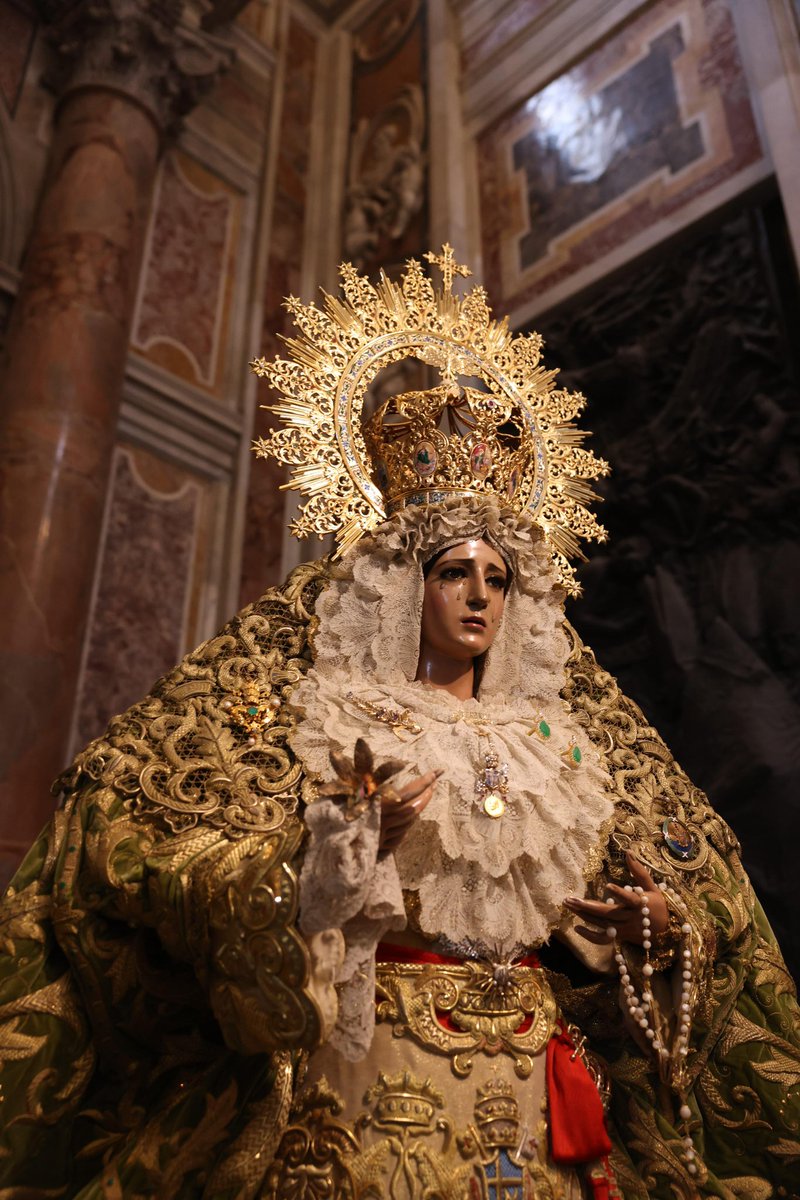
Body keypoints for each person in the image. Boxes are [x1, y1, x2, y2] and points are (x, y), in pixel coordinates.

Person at [0, 249, 798, 1200]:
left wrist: (656, 931)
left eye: (498, 577)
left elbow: (674, 897)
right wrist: (333, 855)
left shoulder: (559, 742)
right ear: (403, 584)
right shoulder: (321, 714)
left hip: (543, 1098)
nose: (480, 597)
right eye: (454, 572)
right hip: (370, 1087)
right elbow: (152, 848)